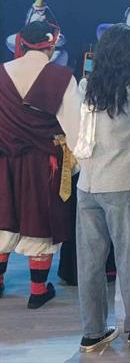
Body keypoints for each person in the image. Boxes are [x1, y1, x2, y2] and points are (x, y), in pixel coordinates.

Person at [73, 24, 130, 352]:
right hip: (124, 184)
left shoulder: (86, 85)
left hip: (87, 185)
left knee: (90, 263)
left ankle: (92, 332)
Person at [0, 20, 80, 307]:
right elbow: (75, 127)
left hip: (4, 159)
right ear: (52, 44)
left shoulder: (2, 72)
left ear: (22, 43)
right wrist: (79, 162)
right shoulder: (61, 77)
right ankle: (37, 290)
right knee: (40, 219)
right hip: (43, 162)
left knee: (3, 217)